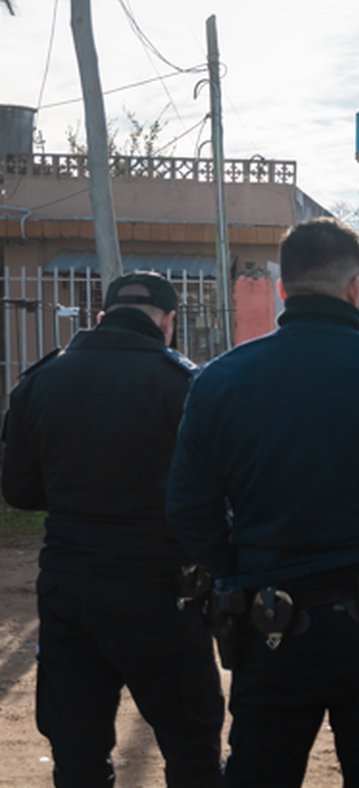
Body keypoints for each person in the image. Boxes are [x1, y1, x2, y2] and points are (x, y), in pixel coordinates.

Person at [166, 216, 359, 786]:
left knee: (260, 774)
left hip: (269, 622)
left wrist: (239, 569)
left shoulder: (221, 380)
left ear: (283, 290)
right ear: (355, 288)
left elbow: (188, 508)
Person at [2, 271, 224, 787]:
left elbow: (19, 491)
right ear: (168, 322)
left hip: (69, 587)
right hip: (161, 590)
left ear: (101, 316)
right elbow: (215, 494)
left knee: (78, 755)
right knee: (192, 751)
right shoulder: (185, 383)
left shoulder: (40, 380)